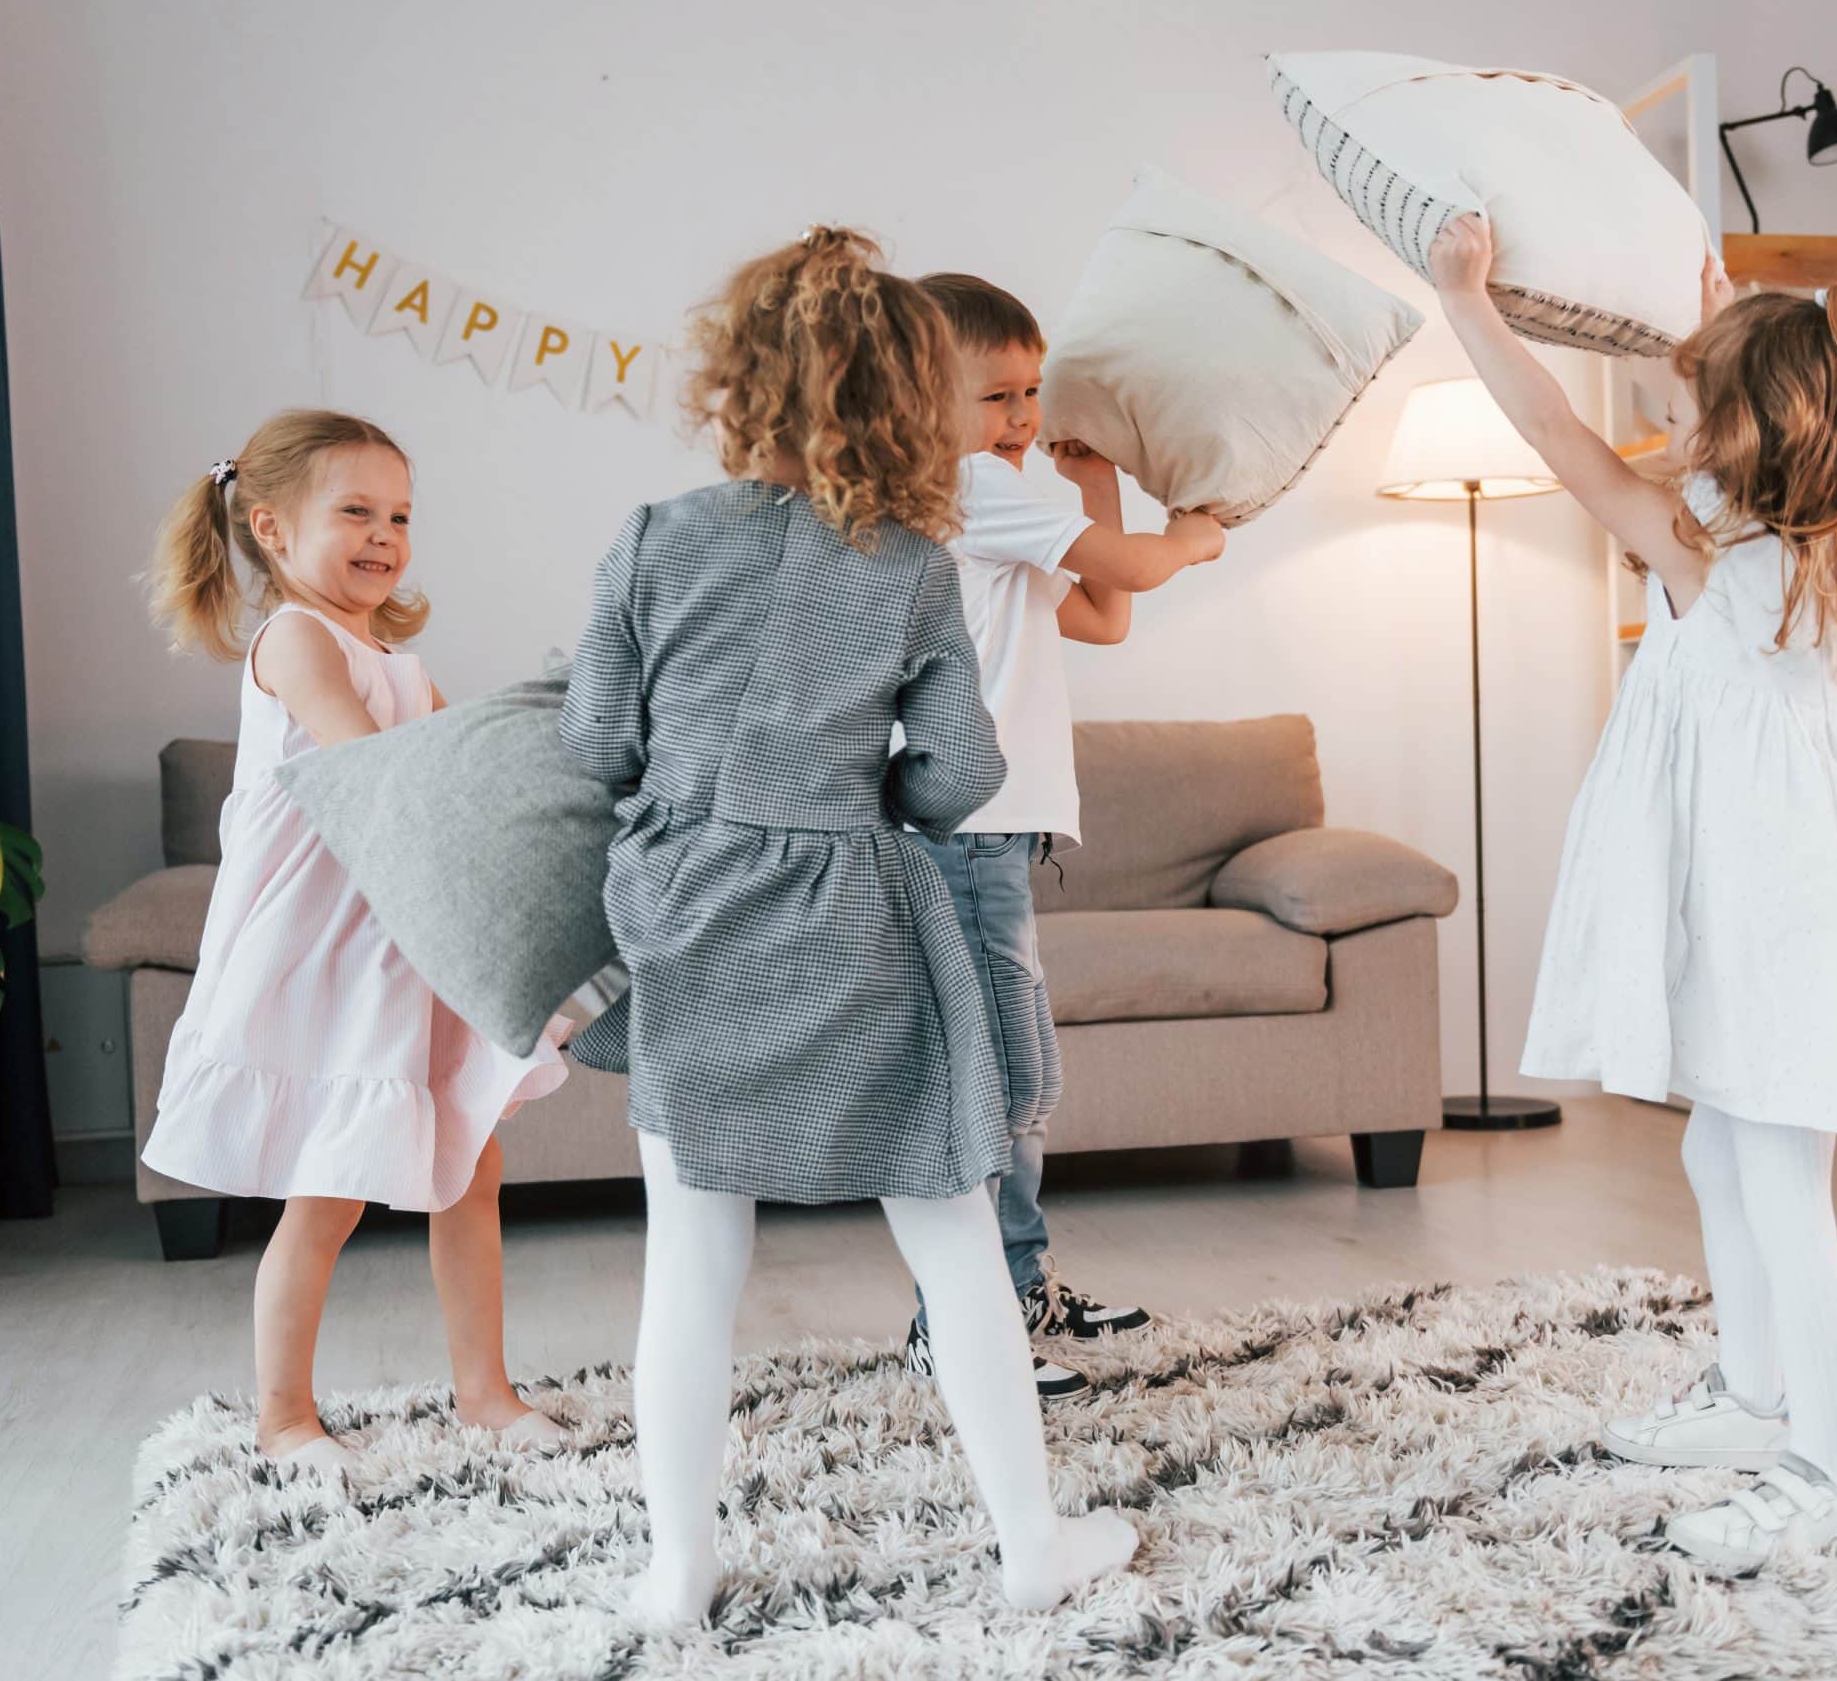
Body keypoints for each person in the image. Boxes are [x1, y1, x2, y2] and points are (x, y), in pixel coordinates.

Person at [1427, 216, 1837, 1573]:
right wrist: (1683, 321)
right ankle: (1754, 1394)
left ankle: (1822, 1467)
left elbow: (1554, 436)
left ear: (1732, 428)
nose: (1665, 412)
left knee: (1778, 1181)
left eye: (1690, 396)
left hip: (1782, 908)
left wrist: (1468, 302)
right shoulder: (1793, 531)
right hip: (1776, 884)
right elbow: (1668, 394)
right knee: (1723, 1151)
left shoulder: (1702, 549)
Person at [560, 229, 1140, 1623]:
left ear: (739, 377)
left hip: (686, 918)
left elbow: (594, 742)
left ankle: (680, 1561)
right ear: (902, 392)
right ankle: (1028, 1547)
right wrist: (856, 790)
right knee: (950, 1227)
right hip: (849, 917)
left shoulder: (652, 538)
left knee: (690, 1252)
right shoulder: (907, 564)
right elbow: (959, 773)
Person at [142, 409, 571, 1475]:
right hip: (328, 952)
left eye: (401, 516)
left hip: (403, 942)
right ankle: (285, 1416)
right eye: (357, 513)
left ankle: (486, 1393)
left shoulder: (402, 657)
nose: (385, 535)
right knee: (327, 1194)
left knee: (470, 1170)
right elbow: (373, 769)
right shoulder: (293, 640)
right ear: (273, 529)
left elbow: (450, 782)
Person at [902, 273, 1225, 1400]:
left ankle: (1016, 1283)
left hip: (1002, 835)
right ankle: (963, 1318)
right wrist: (1187, 533)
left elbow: (1100, 613)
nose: (1023, 418)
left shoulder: (1007, 497)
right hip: (970, 832)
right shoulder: (962, 490)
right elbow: (1134, 574)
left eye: (1031, 393)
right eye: (996, 395)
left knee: (1019, 1077)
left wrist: (1094, 487)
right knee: (1003, 1080)